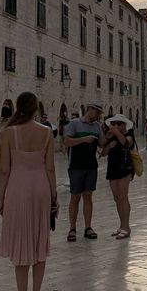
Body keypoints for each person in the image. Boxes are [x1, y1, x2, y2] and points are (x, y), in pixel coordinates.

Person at [0, 91, 58, 291]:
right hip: (41, 188)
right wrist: (54, 197)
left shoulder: (8, 133)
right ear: (36, 109)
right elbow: (50, 168)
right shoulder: (46, 132)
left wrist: (0, 199)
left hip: (18, 189)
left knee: (22, 247)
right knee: (39, 244)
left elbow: (4, 170)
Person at [63, 101, 105, 242]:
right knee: (75, 197)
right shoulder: (74, 124)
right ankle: (72, 228)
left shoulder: (97, 126)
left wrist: (108, 134)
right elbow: (67, 142)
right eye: (97, 112)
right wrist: (84, 139)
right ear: (90, 109)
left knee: (88, 196)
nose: (98, 115)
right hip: (75, 166)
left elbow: (101, 144)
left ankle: (88, 227)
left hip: (91, 166)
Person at [102, 113, 135, 240]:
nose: (116, 126)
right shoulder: (112, 136)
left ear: (125, 125)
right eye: (114, 123)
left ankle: (127, 227)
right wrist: (108, 142)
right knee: (117, 198)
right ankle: (121, 226)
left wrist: (116, 132)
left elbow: (126, 143)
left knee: (123, 197)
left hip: (124, 169)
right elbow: (103, 153)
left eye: (119, 124)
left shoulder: (129, 135)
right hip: (112, 168)